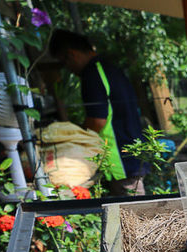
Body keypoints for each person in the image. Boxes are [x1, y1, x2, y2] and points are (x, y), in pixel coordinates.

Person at [48, 29, 147, 195]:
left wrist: (76, 142)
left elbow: (97, 121)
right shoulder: (110, 68)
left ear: (72, 54)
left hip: (118, 160)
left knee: (134, 211)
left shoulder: (92, 74)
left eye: (64, 63)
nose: (68, 69)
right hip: (130, 151)